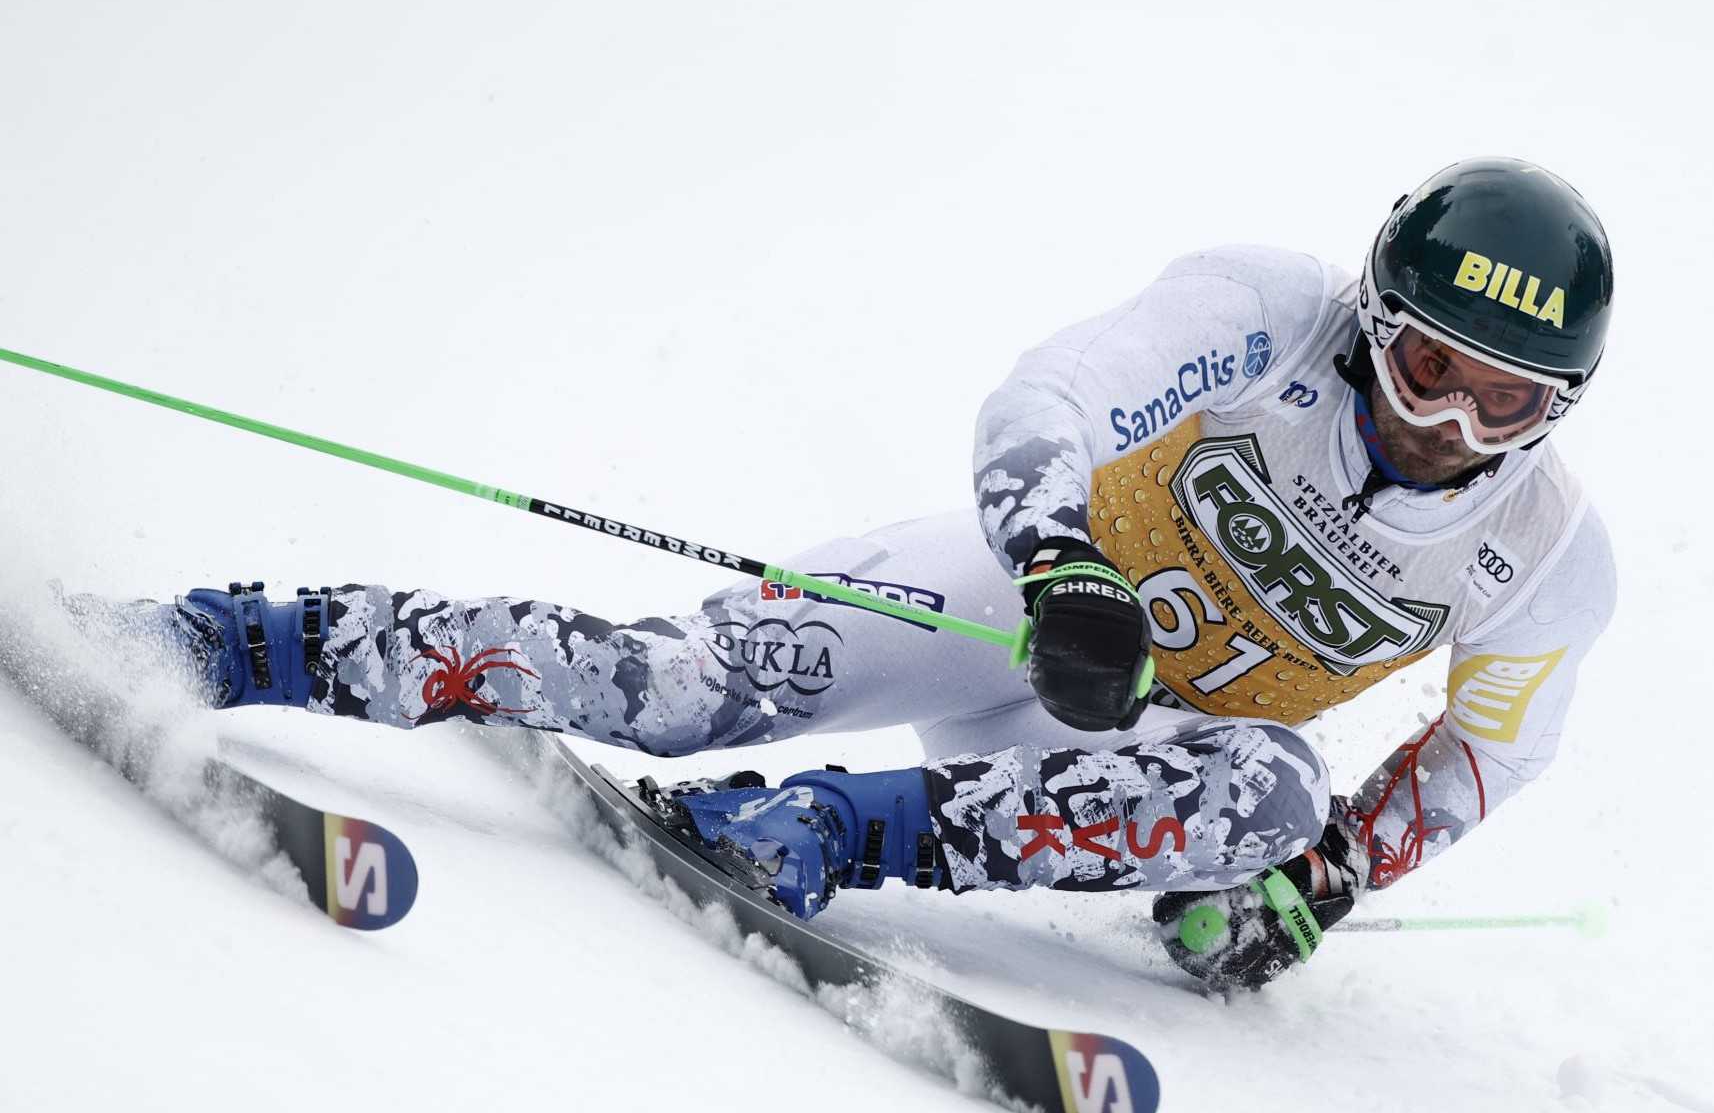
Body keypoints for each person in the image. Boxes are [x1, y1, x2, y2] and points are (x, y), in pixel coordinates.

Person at [91, 157, 1617, 990]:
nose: (1446, 426)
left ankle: (806, 835)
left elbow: (1490, 758)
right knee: (672, 689)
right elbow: (1051, 399)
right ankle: (227, 639)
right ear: (1371, 313)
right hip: (1012, 607)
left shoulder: (1541, 560)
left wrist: (1331, 875)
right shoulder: (1261, 312)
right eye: (1426, 367)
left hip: (1136, 750)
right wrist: (1064, 561)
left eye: (1506, 404)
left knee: (1273, 797)